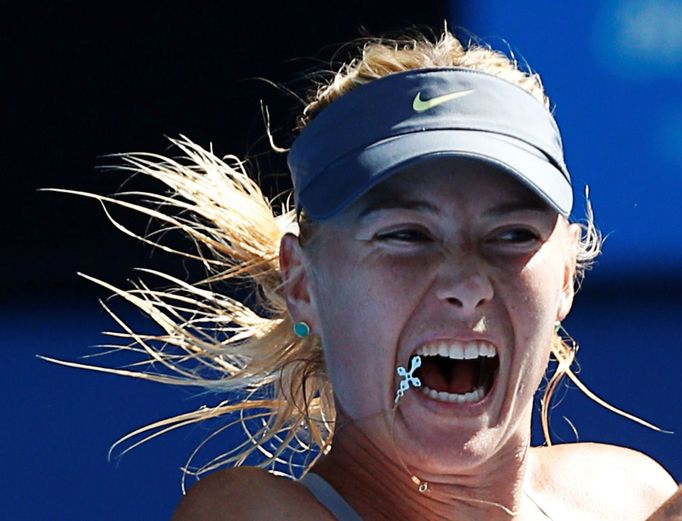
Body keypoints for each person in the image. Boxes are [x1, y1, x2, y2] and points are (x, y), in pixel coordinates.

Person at [59, 28, 681, 520]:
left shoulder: (632, 492)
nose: (467, 283)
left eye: (511, 236)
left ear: (567, 275)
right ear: (305, 285)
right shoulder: (248, 513)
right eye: (406, 236)